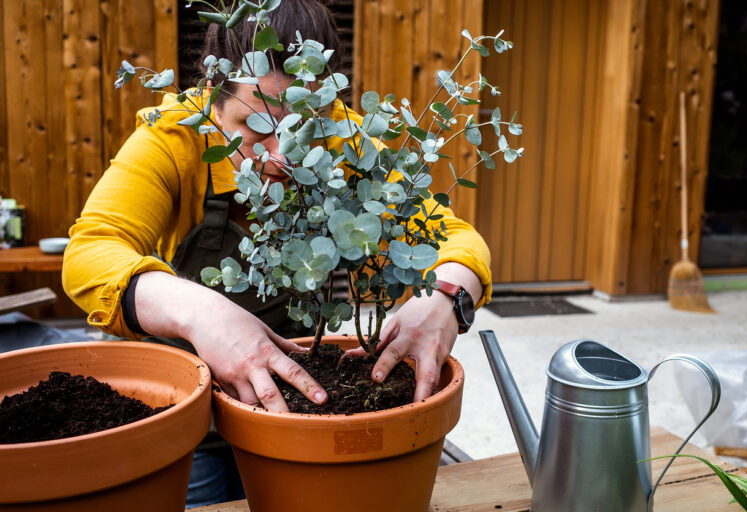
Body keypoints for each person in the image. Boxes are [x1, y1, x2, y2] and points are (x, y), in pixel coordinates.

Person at [62, 0, 491, 506]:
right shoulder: (174, 134)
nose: (282, 160)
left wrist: (444, 296)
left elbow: (456, 239)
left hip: (292, 395)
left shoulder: (348, 141)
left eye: (304, 127)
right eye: (258, 128)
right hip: (185, 401)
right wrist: (203, 312)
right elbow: (91, 251)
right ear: (212, 102)